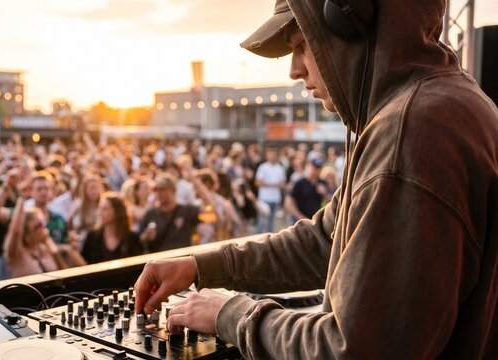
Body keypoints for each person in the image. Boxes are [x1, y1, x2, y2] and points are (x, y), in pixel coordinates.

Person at [133, 0, 498, 358]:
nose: (294, 70)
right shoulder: (437, 106)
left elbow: (353, 349)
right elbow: (325, 239)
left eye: (301, 44)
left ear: (348, 18)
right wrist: (203, 267)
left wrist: (230, 314)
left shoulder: (413, 131)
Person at [3, 198, 86, 278]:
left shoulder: (45, 249)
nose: (45, 229)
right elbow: (15, 232)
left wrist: (51, 245)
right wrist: (21, 198)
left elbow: (63, 274)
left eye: (44, 224)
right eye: (38, 226)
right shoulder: (17, 253)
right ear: (26, 231)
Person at [80, 192, 143, 264]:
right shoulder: (92, 237)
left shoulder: (132, 238)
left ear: (117, 211)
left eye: (105, 209)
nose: (100, 212)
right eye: (100, 208)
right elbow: (84, 265)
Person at [254, 147, 286, 233]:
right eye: (271, 155)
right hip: (264, 198)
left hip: (275, 199)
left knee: (271, 222)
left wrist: (268, 184)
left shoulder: (280, 168)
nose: (272, 157)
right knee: (262, 221)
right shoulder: (263, 167)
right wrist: (273, 184)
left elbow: (282, 184)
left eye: (274, 155)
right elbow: (258, 182)